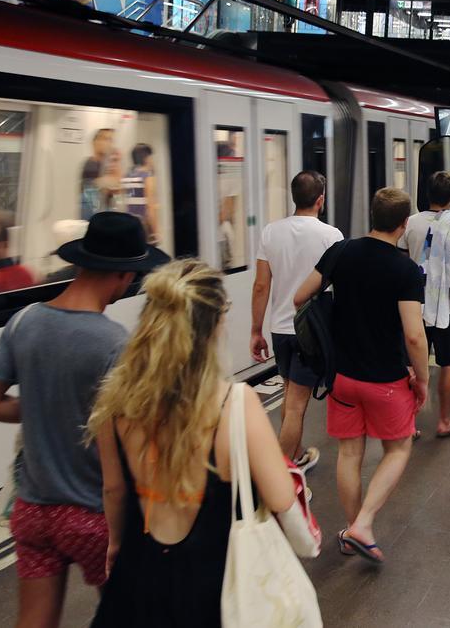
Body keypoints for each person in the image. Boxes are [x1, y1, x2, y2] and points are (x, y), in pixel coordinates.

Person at [0, 211, 168, 628]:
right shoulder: (116, 344)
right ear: (123, 275)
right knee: (128, 617)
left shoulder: (23, 321)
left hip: (33, 511)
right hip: (93, 514)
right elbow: (135, 443)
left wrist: (42, 402)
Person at [88, 259, 295, 627]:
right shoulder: (236, 403)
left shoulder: (116, 402)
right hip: (215, 588)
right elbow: (281, 499)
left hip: (137, 582)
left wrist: (116, 547)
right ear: (215, 324)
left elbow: (114, 491)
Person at [292, 187, 428, 563]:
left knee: (350, 453)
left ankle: (352, 528)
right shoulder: (406, 270)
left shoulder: (341, 251)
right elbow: (414, 335)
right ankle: (363, 524)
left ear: (372, 214)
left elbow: (300, 296)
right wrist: (423, 379)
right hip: (386, 379)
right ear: (403, 224)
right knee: (399, 448)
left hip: (343, 377)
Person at [250, 170, 343, 468]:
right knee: (296, 405)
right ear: (320, 200)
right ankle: (279, 477)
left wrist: (256, 330)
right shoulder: (332, 236)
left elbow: (261, 285)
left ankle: (297, 453)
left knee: (290, 395)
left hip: (279, 328)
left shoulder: (270, 232)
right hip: (310, 331)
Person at [399, 171, 450, 438]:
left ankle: (407, 424)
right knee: (448, 365)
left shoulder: (409, 224)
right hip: (449, 307)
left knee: (411, 365)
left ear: (428, 194)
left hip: (414, 306)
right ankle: (443, 420)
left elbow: (403, 266)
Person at [122, 143, 158, 242]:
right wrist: (155, 232)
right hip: (143, 225)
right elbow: (150, 207)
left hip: (128, 223)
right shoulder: (147, 176)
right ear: (146, 158)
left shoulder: (127, 176)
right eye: (151, 157)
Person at [81, 128, 118, 219]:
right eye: (106, 139)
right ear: (95, 142)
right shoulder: (90, 165)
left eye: (111, 140)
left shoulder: (106, 165)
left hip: (105, 216)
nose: (109, 143)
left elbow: (116, 187)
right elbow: (103, 184)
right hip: (93, 218)